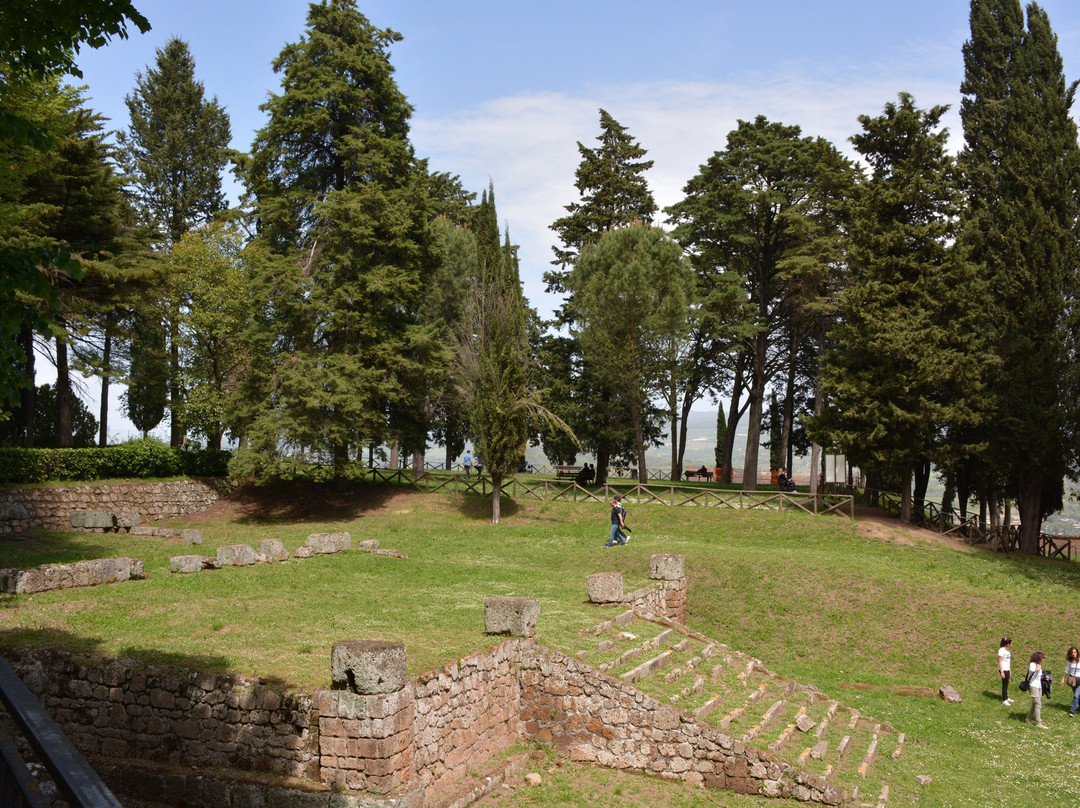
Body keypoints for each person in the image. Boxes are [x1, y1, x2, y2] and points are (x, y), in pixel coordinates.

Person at [1026, 650, 1047, 728]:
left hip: (1039, 686)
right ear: (1038, 658)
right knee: (1038, 704)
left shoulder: (1038, 665)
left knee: (1035, 703)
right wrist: (1037, 668)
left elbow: (1039, 676)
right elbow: (1032, 671)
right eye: (1042, 658)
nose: (1043, 659)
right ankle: (1039, 722)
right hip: (1033, 686)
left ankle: (1028, 719)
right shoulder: (1032, 664)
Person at [998, 638, 1013, 705]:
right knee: (1005, 684)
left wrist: (1009, 669)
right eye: (1011, 643)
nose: (1012, 644)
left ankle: (1006, 697)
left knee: (1006, 683)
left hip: (1007, 668)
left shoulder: (1007, 650)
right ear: (1008, 644)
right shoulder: (1001, 650)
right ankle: (1004, 699)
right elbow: (1000, 661)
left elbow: (1008, 661)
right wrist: (1002, 672)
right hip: (1003, 669)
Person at [1066, 646, 1080, 716]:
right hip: (1073, 680)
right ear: (1070, 654)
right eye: (1072, 652)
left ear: (1077, 653)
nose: (1074, 653)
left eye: (1075, 652)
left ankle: (1072, 710)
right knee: (1077, 695)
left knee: (1076, 695)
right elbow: (1067, 670)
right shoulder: (1070, 661)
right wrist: (1063, 678)